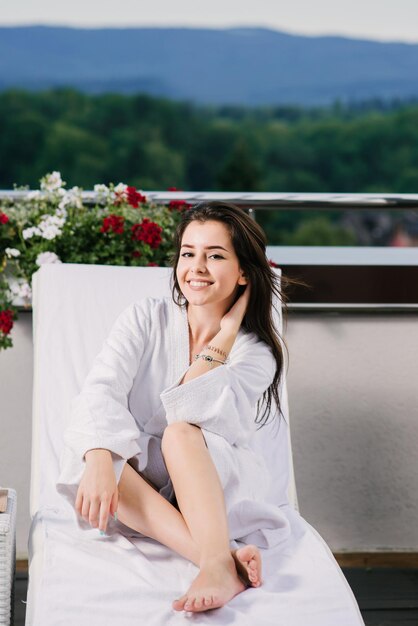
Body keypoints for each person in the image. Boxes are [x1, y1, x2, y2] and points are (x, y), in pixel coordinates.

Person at [56, 201, 364, 622]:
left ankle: (216, 562)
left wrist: (225, 334)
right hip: (143, 488)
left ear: (243, 273)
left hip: (213, 480)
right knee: (96, 460)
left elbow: (188, 410)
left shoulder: (256, 355)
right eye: (188, 253)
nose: (196, 267)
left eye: (215, 255)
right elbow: (100, 389)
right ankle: (222, 560)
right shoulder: (145, 317)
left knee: (180, 433)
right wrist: (97, 456)